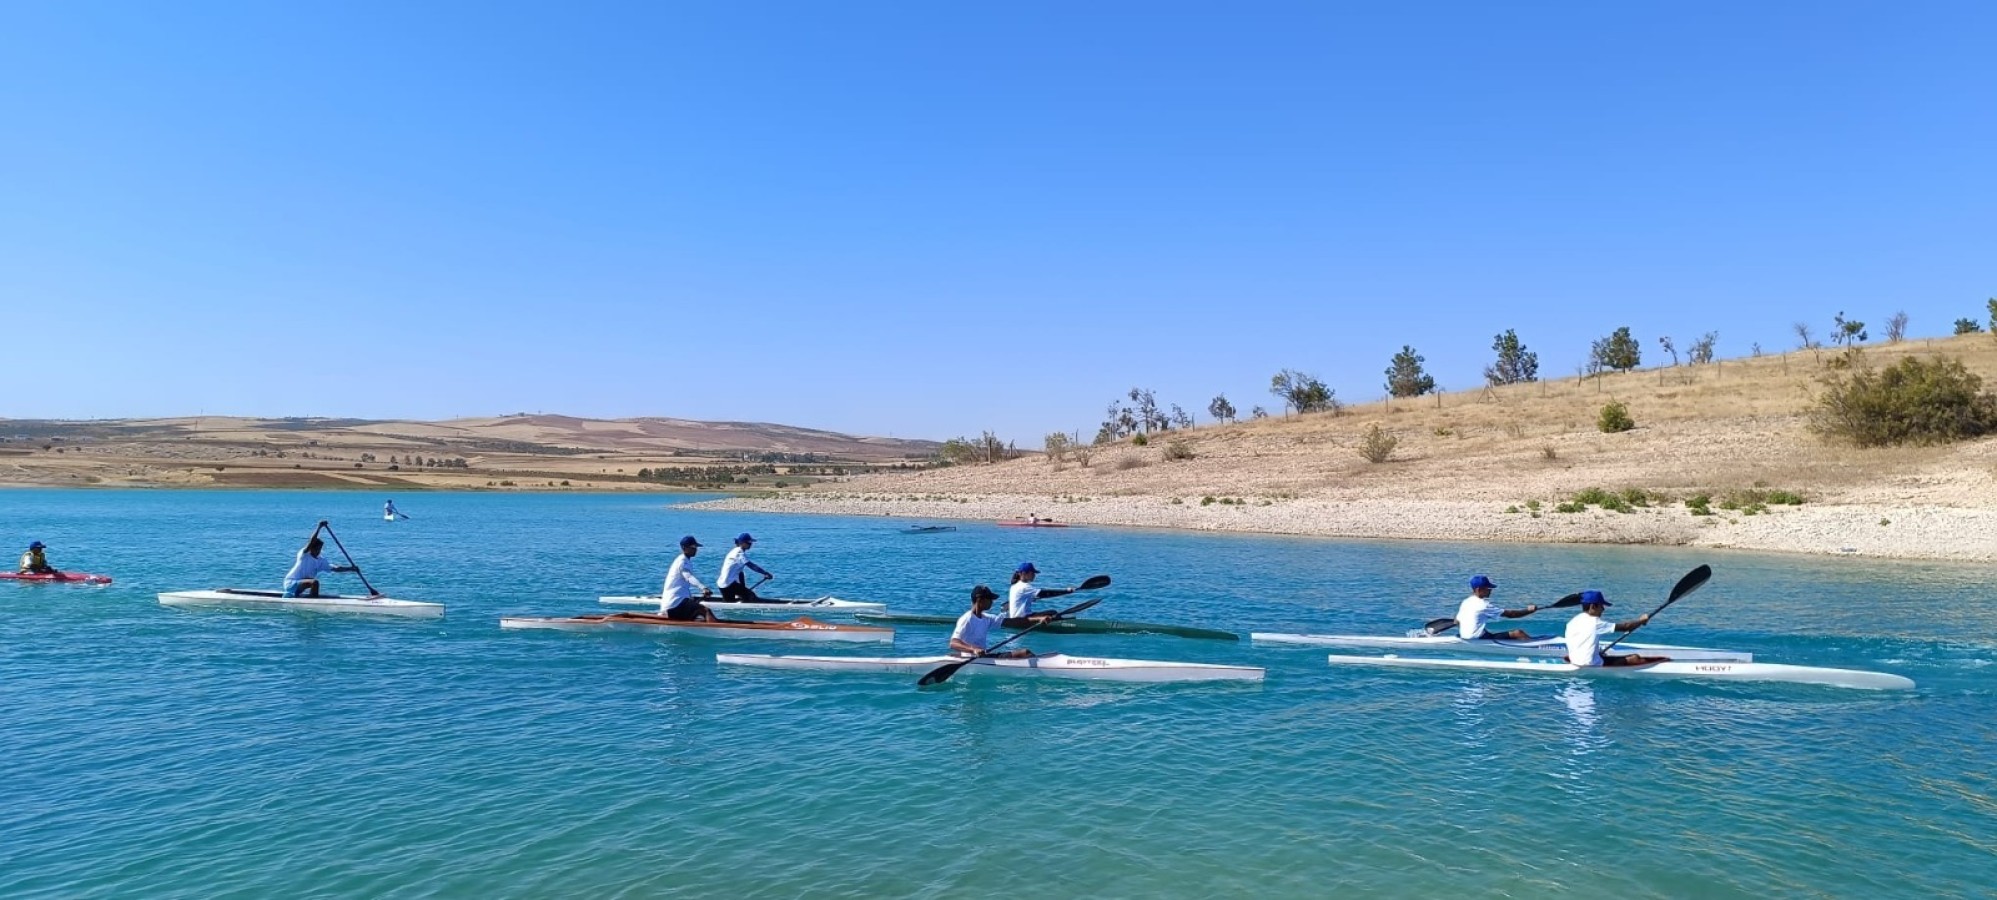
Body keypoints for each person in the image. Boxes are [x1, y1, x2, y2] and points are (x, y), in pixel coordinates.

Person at [1564, 590, 1657, 667]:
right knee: (1635, 658)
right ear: (1593, 606)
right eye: (1601, 606)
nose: (1603, 609)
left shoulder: (1572, 622)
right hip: (1591, 665)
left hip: (1575, 662)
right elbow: (1626, 627)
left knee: (1602, 655)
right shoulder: (1594, 622)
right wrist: (1641, 620)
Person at [950, 585, 1033, 659]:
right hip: (971, 658)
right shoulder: (966, 619)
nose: (992, 602)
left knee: (1025, 653)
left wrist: (1038, 620)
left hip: (983, 657)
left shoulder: (987, 618)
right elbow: (953, 643)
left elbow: (1011, 622)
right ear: (979, 600)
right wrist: (974, 650)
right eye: (989, 599)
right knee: (1025, 653)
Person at [1454, 575, 1542, 640]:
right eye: (1488, 588)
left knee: (1486, 631)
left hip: (1465, 637)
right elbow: (1511, 614)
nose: (1490, 590)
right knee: (1518, 633)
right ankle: (1537, 647)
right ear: (1478, 590)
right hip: (1477, 639)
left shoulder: (1465, 602)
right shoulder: (1483, 605)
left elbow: (1456, 622)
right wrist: (1529, 610)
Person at [659, 535, 718, 622]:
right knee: (705, 610)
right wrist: (703, 588)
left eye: (696, 547)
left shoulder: (685, 560)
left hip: (676, 603)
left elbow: (683, 585)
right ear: (684, 548)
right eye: (693, 547)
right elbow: (689, 577)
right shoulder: (682, 561)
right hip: (674, 604)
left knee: (696, 614)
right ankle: (717, 630)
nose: (695, 549)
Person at [1004, 562, 1082, 625]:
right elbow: (1045, 593)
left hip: (1015, 617)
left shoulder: (1015, 585)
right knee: (1053, 612)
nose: (1034, 575)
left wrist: (1034, 598)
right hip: (1022, 619)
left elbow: (1029, 596)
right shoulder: (1024, 587)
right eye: (1032, 573)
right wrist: (1067, 591)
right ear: (1023, 573)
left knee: (1051, 613)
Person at [283, 534, 354, 598]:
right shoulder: (304, 555)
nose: (318, 551)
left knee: (312, 581)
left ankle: (297, 596)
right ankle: (312, 602)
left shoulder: (321, 561)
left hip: (300, 585)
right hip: (291, 583)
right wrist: (319, 527)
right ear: (311, 548)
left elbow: (336, 569)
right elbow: (311, 541)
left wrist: (351, 569)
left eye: (320, 549)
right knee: (314, 582)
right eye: (317, 549)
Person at [716, 533, 773, 601]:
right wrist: (765, 573)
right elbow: (751, 566)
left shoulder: (735, 551)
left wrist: (743, 589)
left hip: (723, 584)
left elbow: (740, 573)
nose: (750, 544)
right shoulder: (739, 553)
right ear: (742, 543)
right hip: (729, 584)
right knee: (751, 596)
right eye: (748, 542)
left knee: (730, 604)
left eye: (751, 542)